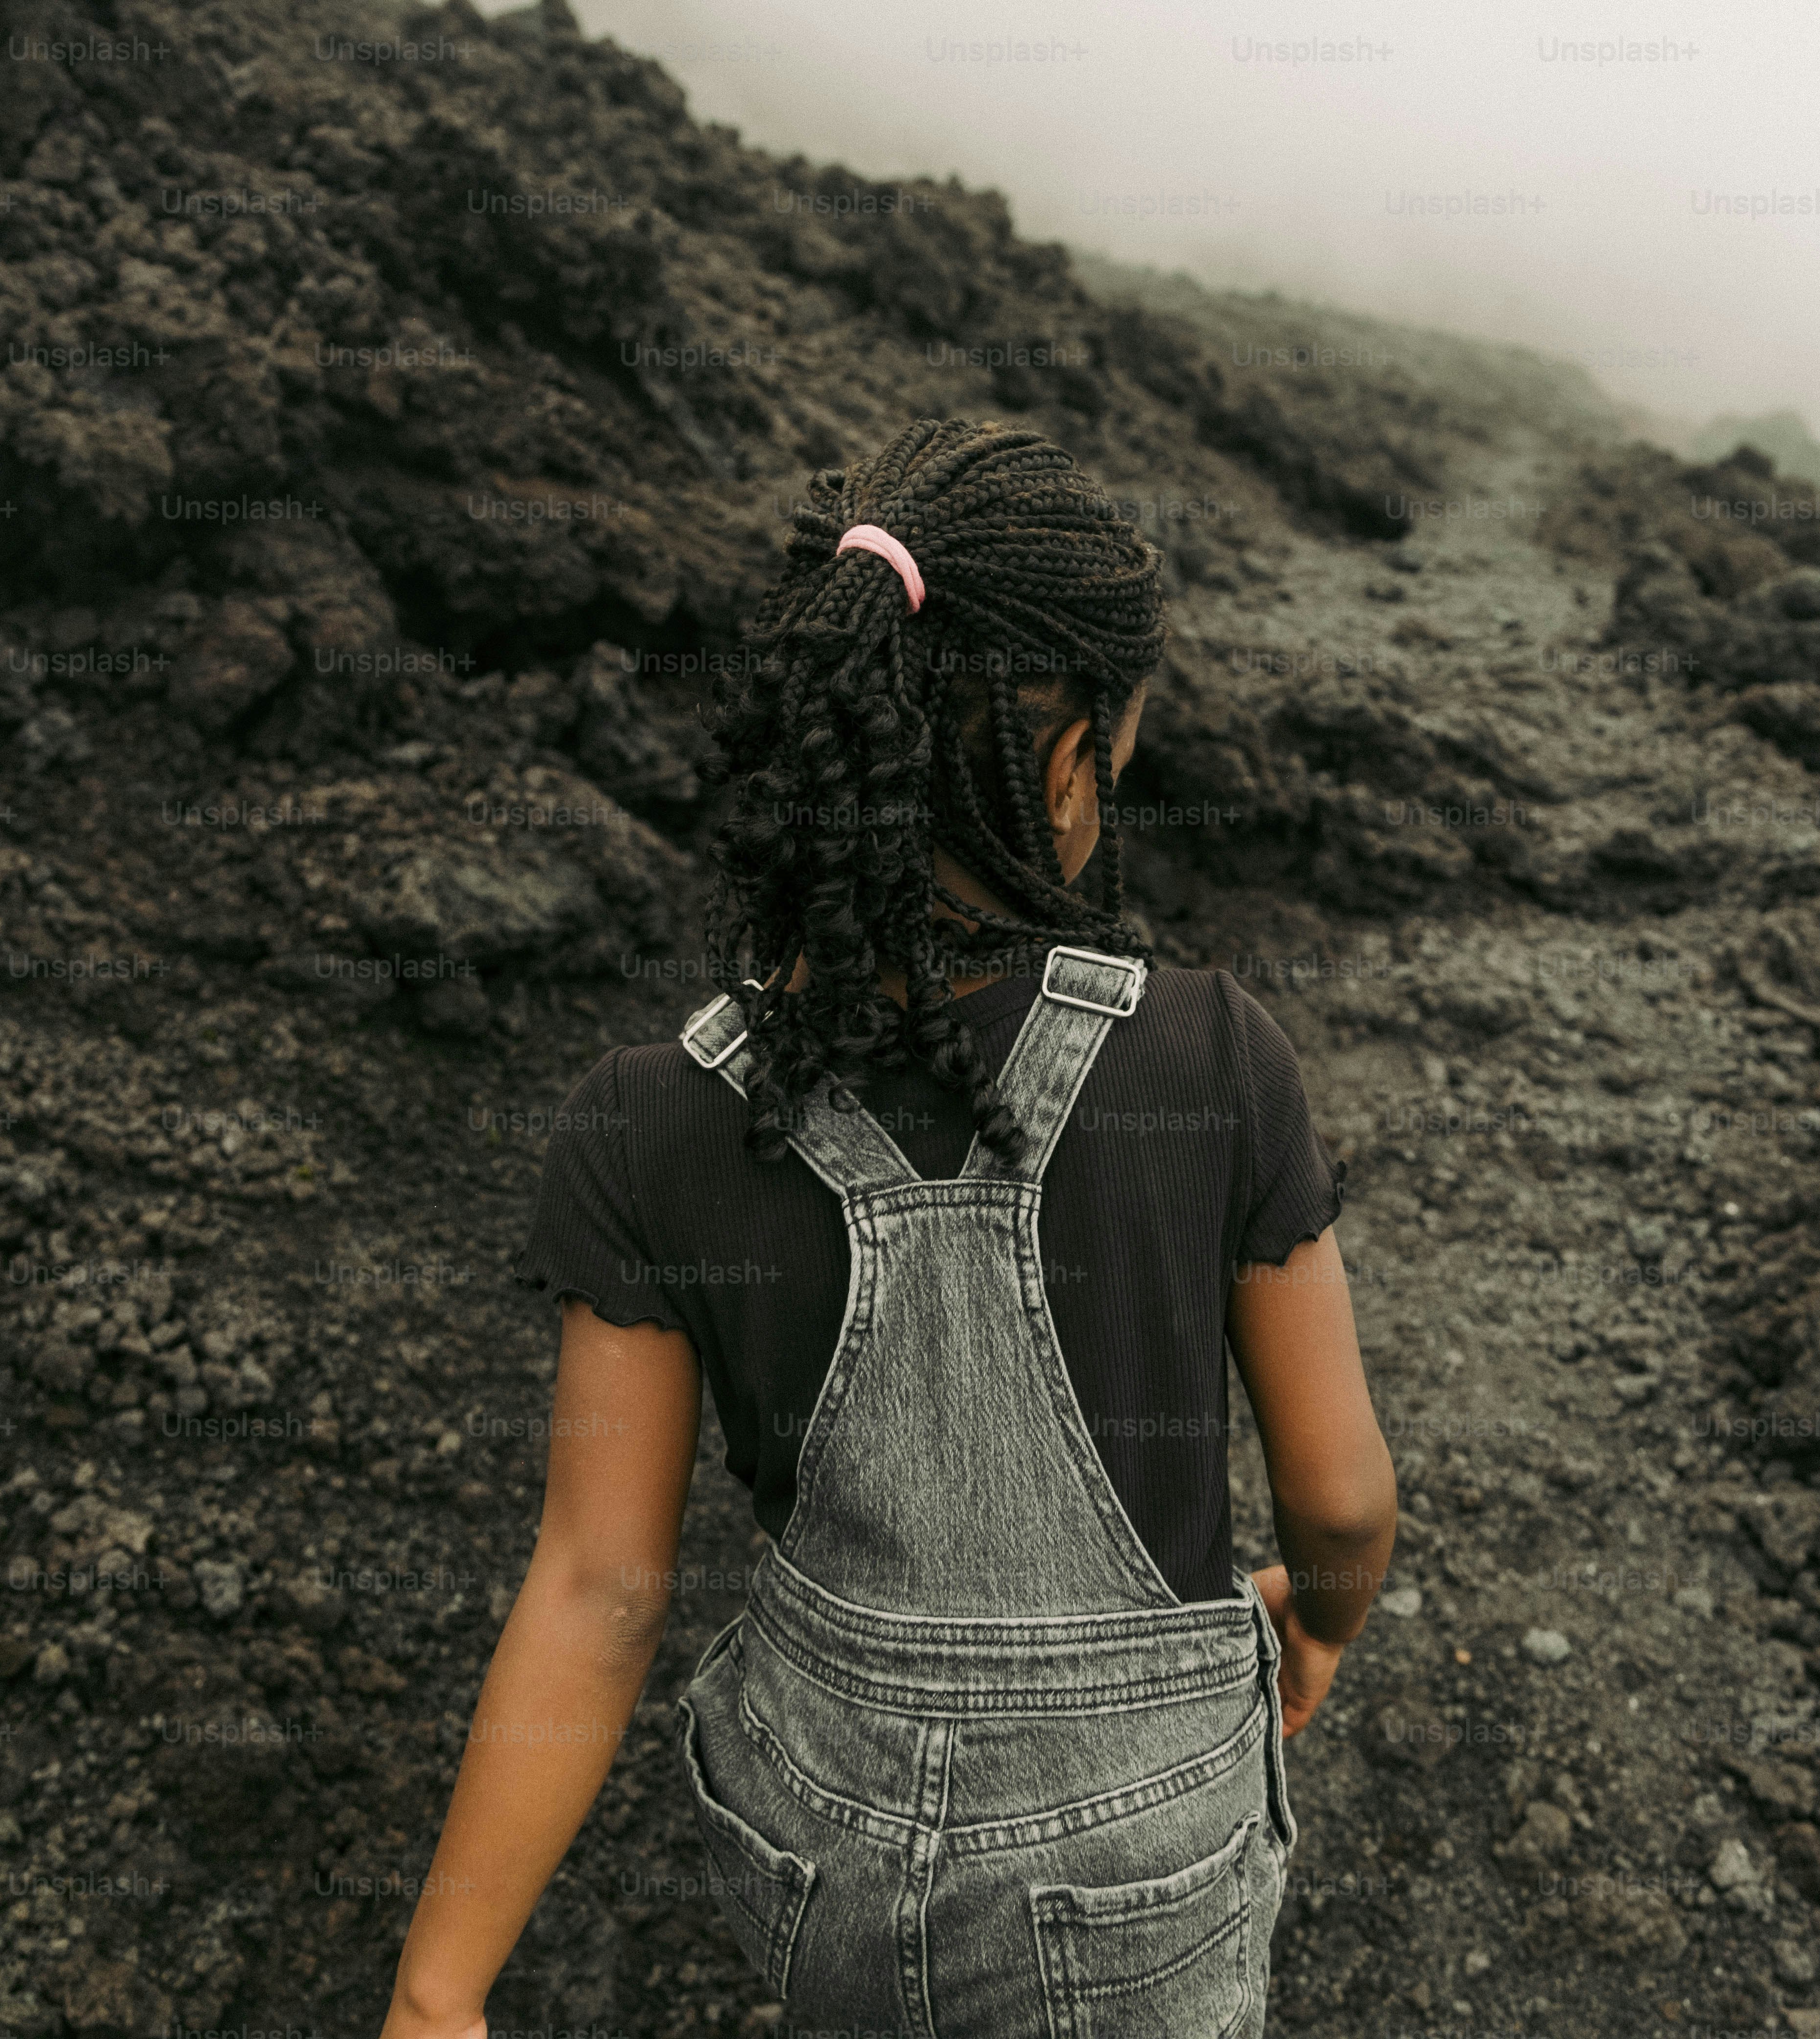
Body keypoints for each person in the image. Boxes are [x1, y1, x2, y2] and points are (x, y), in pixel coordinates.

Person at [379, 418, 1396, 2039]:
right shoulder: (1214, 1057)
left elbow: (599, 1585)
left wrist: (439, 1993)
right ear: (1073, 767)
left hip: (810, 1849)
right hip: (1132, 1867)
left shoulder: (651, 1117)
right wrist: (1321, 1622)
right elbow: (1340, 1501)